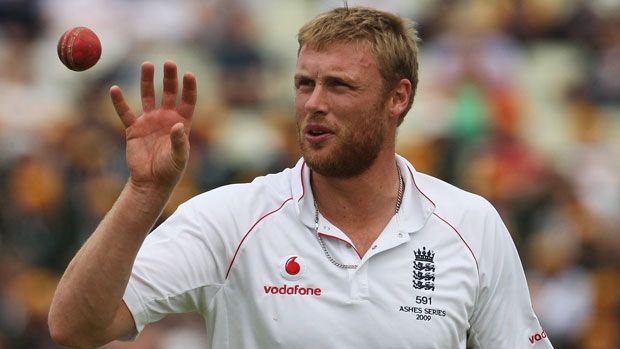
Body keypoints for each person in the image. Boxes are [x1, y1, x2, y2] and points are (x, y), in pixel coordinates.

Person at [48, 6, 554, 348]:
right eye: (304, 84)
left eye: (339, 86)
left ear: (398, 98)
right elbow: (75, 327)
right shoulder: (230, 219)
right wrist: (143, 194)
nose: (314, 103)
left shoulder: (470, 223)